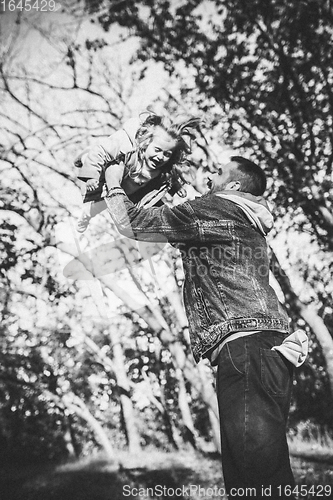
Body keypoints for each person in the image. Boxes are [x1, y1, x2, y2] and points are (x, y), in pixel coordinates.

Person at [103, 155, 308, 499]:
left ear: (234, 186)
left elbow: (133, 222)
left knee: (257, 476)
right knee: (255, 474)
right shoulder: (239, 217)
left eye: (218, 173)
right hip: (263, 351)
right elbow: (183, 227)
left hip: (247, 351)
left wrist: (112, 181)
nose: (209, 175)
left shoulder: (215, 209)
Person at [74, 110, 200, 232]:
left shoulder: (163, 168)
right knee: (107, 163)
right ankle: (86, 159)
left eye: (167, 154)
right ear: (146, 143)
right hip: (110, 176)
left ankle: (89, 213)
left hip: (129, 192)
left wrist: (176, 188)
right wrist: (92, 176)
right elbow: (102, 151)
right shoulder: (129, 149)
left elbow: (168, 176)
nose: (160, 157)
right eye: (157, 150)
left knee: (106, 204)